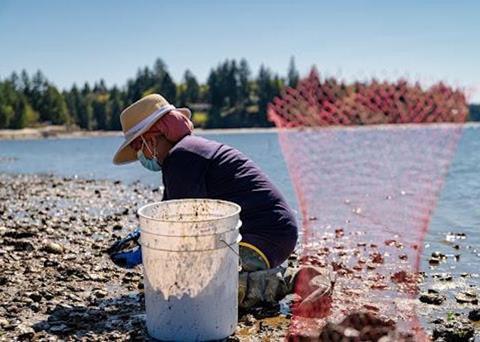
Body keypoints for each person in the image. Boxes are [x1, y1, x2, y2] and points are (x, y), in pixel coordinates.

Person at [108, 94, 298, 308]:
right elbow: (168, 213)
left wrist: (150, 250)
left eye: (137, 147)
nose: (140, 155)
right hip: (271, 232)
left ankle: (292, 280)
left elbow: (183, 229)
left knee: (208, 296)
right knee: (189, 285)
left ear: (151, 139)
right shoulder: (187, 152)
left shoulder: (182, 159)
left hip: (262, 235)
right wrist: (146, 235)